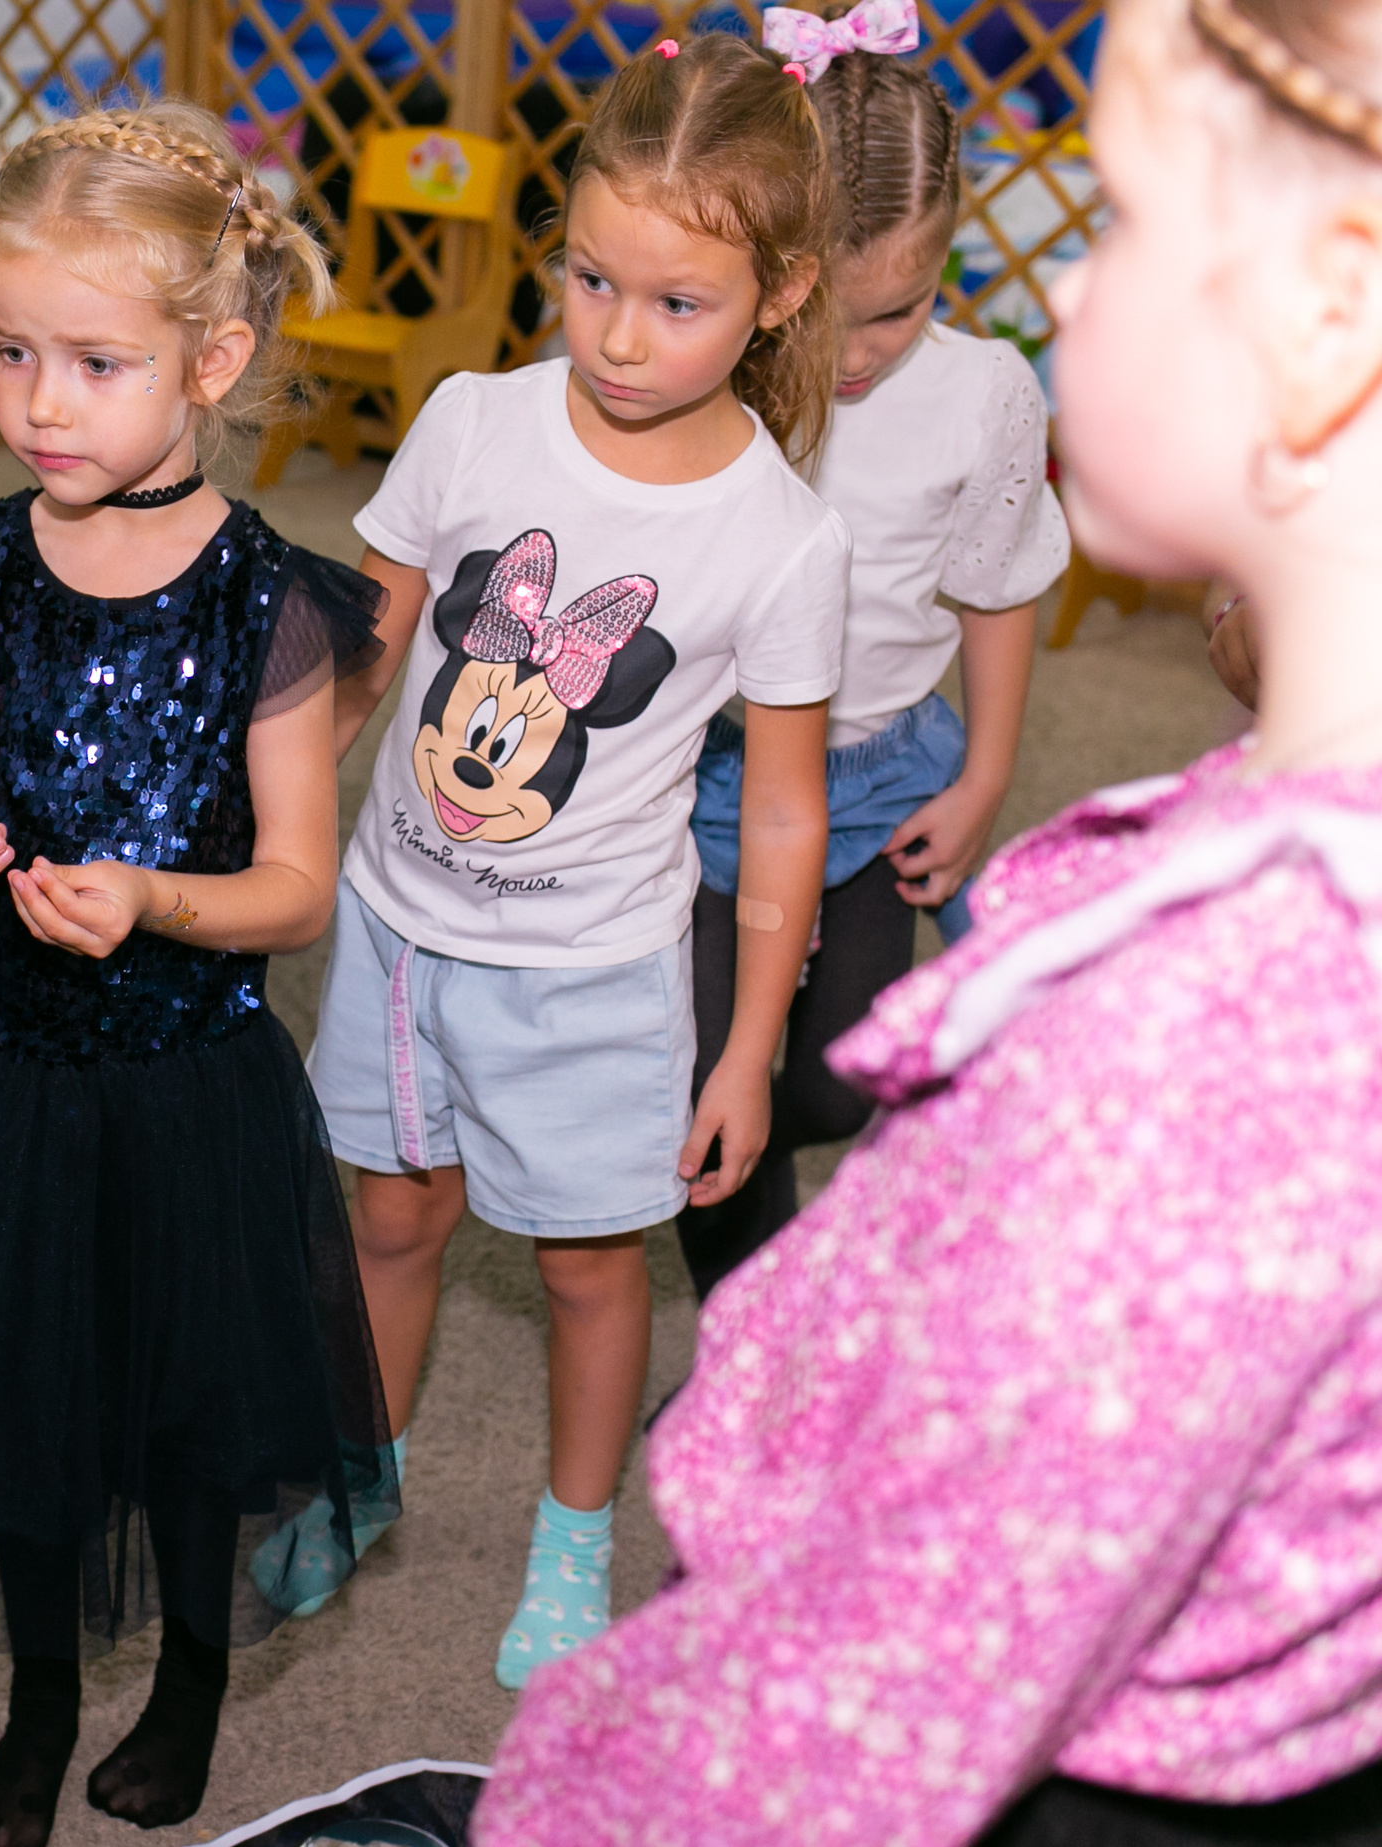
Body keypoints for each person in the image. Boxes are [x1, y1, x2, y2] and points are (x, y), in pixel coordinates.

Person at [471, 0, 1382, 1834]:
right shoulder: (1229, 895)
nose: (1075, 294)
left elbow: (898, 1677)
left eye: (1118, 222)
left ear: (1326, 324)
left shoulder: (1209, 1033)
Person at [0, 102, 396, 1847]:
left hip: (183, 1083)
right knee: (19, 1406)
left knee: (190, 1414)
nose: (41, 403)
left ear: (213, 359)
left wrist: (158, 901)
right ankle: (41, 1700)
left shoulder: (274, 606)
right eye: (12, 354)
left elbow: (296, 889)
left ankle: (200, 1683)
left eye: (93, 359)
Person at [276, 29, 848, 1687]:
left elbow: (791, 813)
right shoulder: (473, 419)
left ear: (782, 292)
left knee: (591, 1271)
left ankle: (576, 1533)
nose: (615, 334)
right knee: (390, 1225)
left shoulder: (782, 539)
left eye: (676, 303)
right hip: (394, 928)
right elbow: (365, 652)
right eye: (592, 277)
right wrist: (283, 816)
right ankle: (361, 1477)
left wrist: (746, 1048)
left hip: (593, 975)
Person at [675, 0, 1074, 1299]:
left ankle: (764, 1223)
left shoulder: (988, 397)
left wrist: (985, 778)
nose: (852, 355)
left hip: (880, 780)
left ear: (947, 255)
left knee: (841, 1079)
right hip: (705, 784)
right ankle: (756, 1351)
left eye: (895, 312)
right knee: (704, 1088)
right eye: (822, 314)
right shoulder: (705, 379)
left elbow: (999, 588)